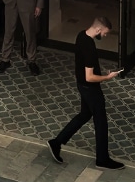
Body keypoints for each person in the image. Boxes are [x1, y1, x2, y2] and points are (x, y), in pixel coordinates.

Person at [47, 17, 124, 170]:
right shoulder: (89, 47)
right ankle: (102, 159)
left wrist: (101, 72)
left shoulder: (81, 35)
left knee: (84, 115)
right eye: (105, 33)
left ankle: (56, 142)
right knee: (101, 122)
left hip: (82, 86)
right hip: (90, 88)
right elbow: (90, 76)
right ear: (98, 29)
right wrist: (107, 77)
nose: (105, 36)